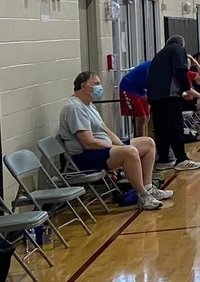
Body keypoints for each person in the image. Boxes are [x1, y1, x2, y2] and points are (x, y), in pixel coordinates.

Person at [59, 72, 171, 211]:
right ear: (83, 86)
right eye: (96, 83)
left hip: (101, 149)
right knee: (129, 152)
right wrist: (117, 149)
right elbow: (88, 143)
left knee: (148, 143)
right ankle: (143, 196)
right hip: (84, 157)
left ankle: (148, 187)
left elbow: (106, 130)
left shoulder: (88, 105)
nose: (99, 87)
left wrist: (120, 145)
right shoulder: (75, 108)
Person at [147, 36, 200, 171]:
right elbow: (180, 70)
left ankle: (164, 159)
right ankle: (182, 159)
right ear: (181, 43)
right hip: (169, 94)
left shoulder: (160, 54)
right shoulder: (178, 49)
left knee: (161, 128)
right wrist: (186, 89)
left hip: (155, 96)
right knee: (175, 126)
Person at [118, 59, 152, 139]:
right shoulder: (157, 65)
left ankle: (146, 142)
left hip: (140, 88)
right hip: (129, 86)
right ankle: (141, 142)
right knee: (141, 117)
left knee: (146, 117)